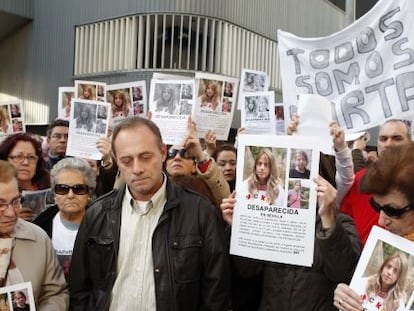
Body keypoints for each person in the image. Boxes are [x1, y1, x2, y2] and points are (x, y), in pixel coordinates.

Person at [69, 117, 229, 310]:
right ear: (116, 161)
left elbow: (216, 291)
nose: (137, 169)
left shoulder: (200, 212)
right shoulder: (97, 214)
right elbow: (80, 290)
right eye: (126, 161)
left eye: (145, 157)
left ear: (162, 152)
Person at [222, 174, 362, 310]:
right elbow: (247, 269)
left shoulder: (342, 223)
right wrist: (240, 227)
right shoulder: (273, 219)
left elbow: (342, 273)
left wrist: (328, 218)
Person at [334, 142, 414, 311]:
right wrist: (348, 298)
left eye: (393, 211)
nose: (381, 221)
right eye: (376, 207)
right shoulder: (387, 242)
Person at [0, 160, 68, 309]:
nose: (11, 213)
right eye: (0, 204)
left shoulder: (37, 238)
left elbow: (55, 293)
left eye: (16, 201)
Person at [340, 119, 412, 245]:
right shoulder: (360, 179)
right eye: (383, 139)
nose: (389, 144)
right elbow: (345, 220)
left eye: (397, 138)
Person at [34, 157, 95, 281]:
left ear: (89, 193)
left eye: (79, 189)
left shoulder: (103, 227)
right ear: (54, 194)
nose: (71, 195)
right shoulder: (39, 228)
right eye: (63, 189)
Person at [164, 119, 230, 213]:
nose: (177, 157)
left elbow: (224, 198)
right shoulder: (156, 188)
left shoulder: (203, 189)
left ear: (194, 167)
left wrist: (200, 155)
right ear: (166, 164)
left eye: (185, 154)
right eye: (172, 153)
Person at [0, 133, 51, 221]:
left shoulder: (50, 183)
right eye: (18, 156)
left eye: (31, 157)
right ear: (5, 160)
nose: (25, 162)